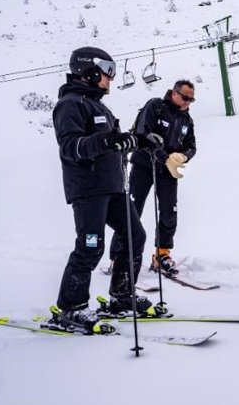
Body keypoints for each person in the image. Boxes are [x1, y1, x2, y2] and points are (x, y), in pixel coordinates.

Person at [52, 46, 163, 330]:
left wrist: (139, 141)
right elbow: (71, 147)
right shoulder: (70, 104)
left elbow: (113, 140)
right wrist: (106, 141)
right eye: (107, 71)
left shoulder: (97, 104)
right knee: (90, 247)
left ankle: (122, 295)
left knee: (134, 236)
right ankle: (71, 308)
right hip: (88, 189)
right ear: (88, 70)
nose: (110, 78)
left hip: (112, 187)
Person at [109, 80, 197, 278]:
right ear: (174, 94)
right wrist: (165, 158)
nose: (188, 102)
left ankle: (162, 254)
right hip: (143, 165)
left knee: (169, 210)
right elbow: (143, 135)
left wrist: (182, 156)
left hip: (168, 171)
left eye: (192, 99)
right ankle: (117, 257)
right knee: (131, 210)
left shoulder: (186, 119)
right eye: (185, 97)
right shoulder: (155, 106)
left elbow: (192, 145)